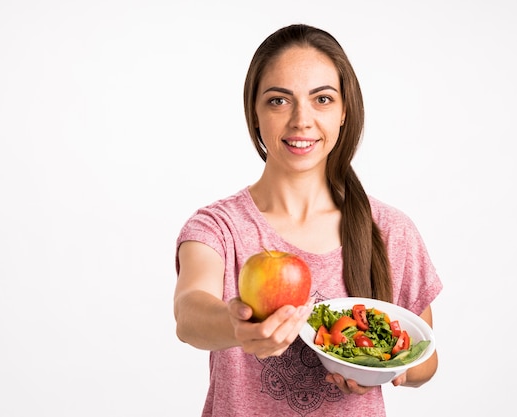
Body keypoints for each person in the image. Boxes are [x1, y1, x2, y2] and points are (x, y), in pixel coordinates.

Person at [173, 23, 443, 417]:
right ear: (255, 112)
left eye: (322, 99)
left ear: (344, 112)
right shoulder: (220, 227)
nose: (301, 120)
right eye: (279, 101)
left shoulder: (390, 230)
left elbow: (425, 361)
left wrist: (382, 368)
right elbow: (189, 313)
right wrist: (237, 326)